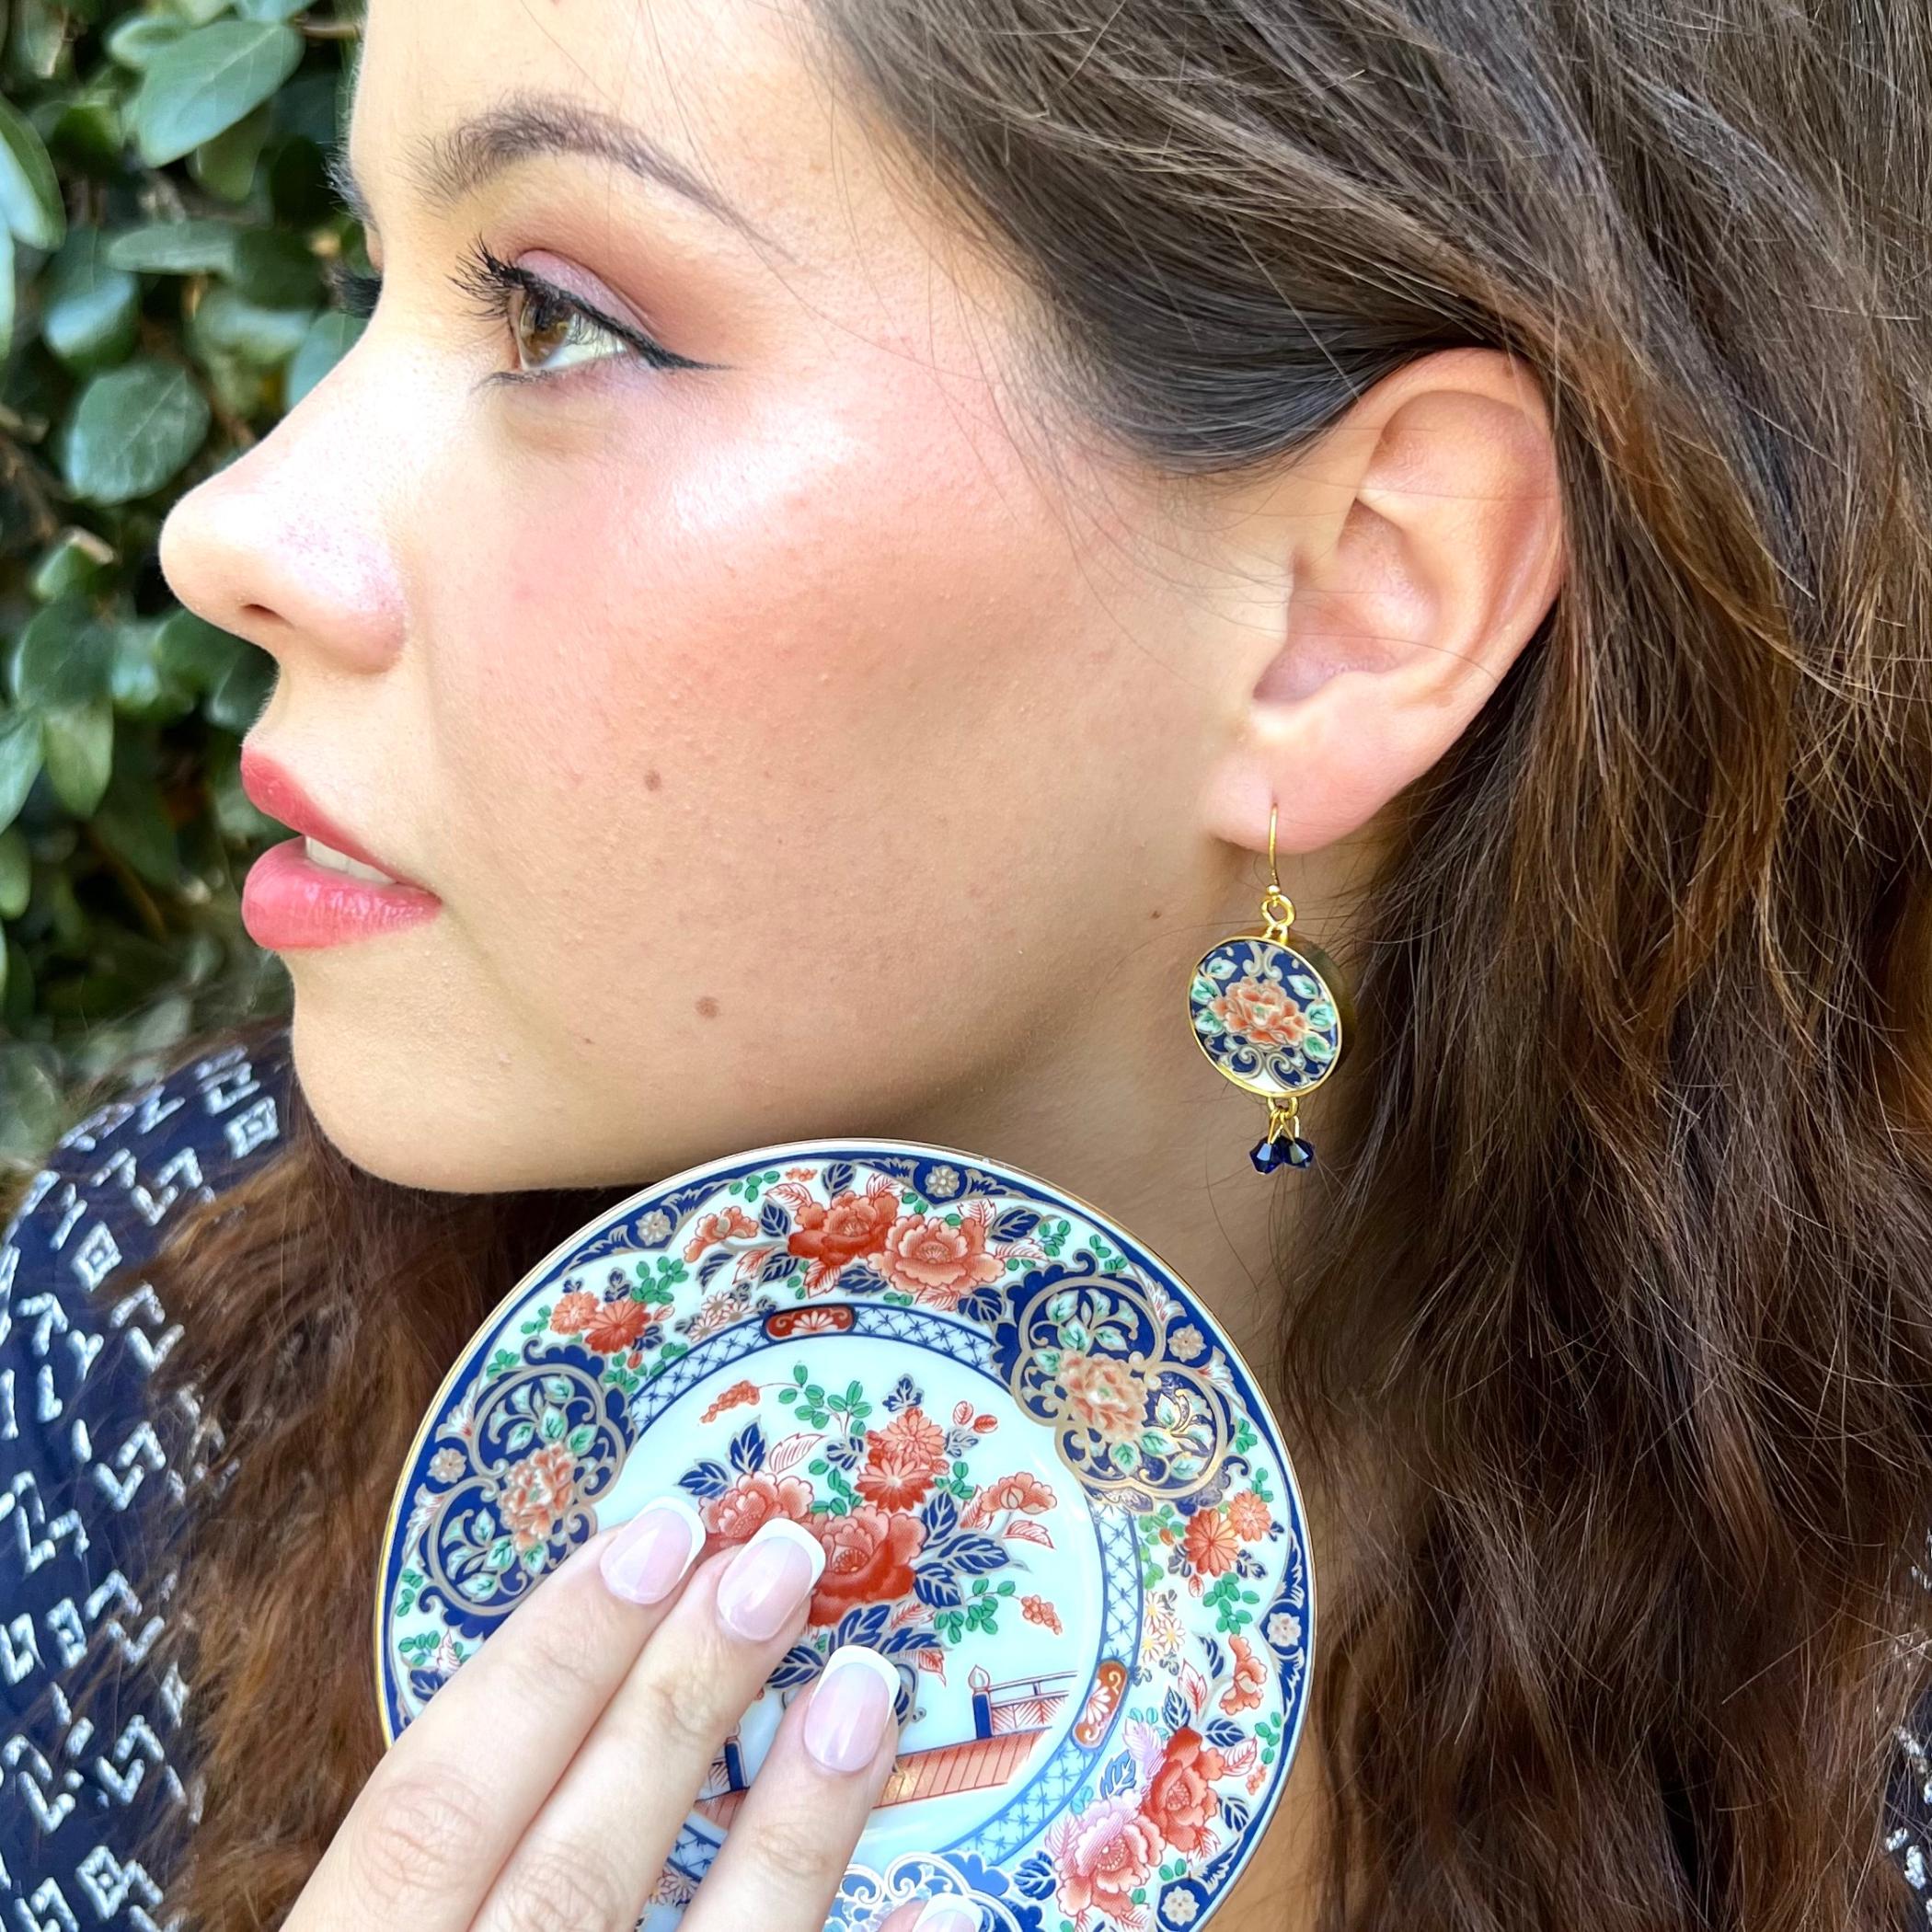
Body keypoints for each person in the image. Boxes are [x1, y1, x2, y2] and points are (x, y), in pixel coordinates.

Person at [6, 0, 1932, 1926]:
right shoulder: (138, 1363)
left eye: (556, 313)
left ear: (1355, 595)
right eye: (377, 278)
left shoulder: (1866, 1666)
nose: (227, 528)